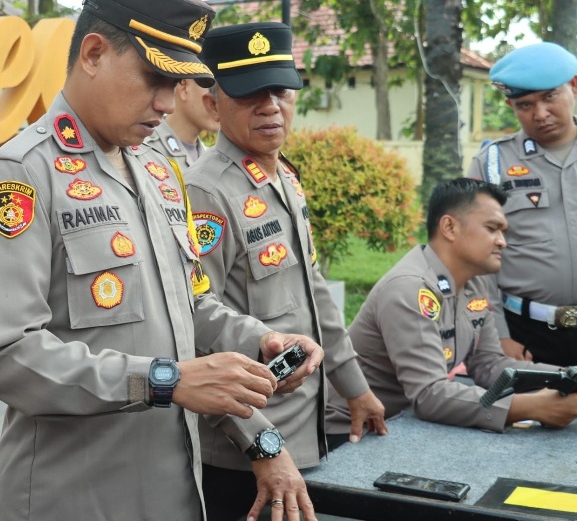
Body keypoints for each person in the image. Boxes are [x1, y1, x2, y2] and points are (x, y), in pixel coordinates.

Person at [0, 2, 324, 520]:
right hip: (73, 498)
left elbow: (189, 304)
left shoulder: (158, 170)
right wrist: (164, 380)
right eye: (154, 76)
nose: (165, 101)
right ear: (93, 53)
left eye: (176, 83)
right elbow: (6, 355)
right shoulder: (19, 176)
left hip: (174, 488)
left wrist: (256, 339)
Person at [185, 22, 387, 521]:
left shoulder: (283, 178)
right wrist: (263, 447)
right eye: (250, 94)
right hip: (245, 454)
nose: (271, 105)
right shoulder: (206, 192)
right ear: (213, 106)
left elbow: (312, 290)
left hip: (305, 435)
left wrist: (354, 386)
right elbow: (192, 324)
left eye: (280, 89)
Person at [325, 178, 577, 442]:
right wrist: (535, 407)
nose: (502, 242)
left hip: (403, 424)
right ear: (450, 227)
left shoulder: (475, 281)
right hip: (351, 433)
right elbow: (429, 395)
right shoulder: (410, 288)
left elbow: (489, 364)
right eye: (492, 229)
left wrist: (565, 376)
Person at [468, 42, 577, 366]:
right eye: (525, 104)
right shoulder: (492, 164)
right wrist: (498, 335)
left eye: (549, 97)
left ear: (573, 86)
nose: (540, 114)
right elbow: (476, 260)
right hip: (526, 336)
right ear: (510, 105)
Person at [145, 78, 219, 172]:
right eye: (213, 89)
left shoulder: (210, 157)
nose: (218, 102)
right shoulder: (145, 147)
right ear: (184, 88)